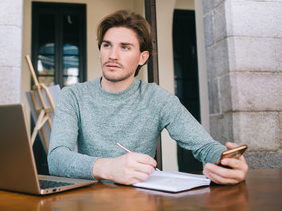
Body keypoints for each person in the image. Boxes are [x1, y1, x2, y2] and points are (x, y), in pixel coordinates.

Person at [47, 10, 248, 185]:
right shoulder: (72, 96)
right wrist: (109, 167)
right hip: (87, 200)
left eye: (125, 47)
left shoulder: (157, 98)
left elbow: (204, 146)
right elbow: (56, 159)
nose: (112, 55)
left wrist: (227, 163)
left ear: (143, 57)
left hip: (141, 200)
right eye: (107, 45)